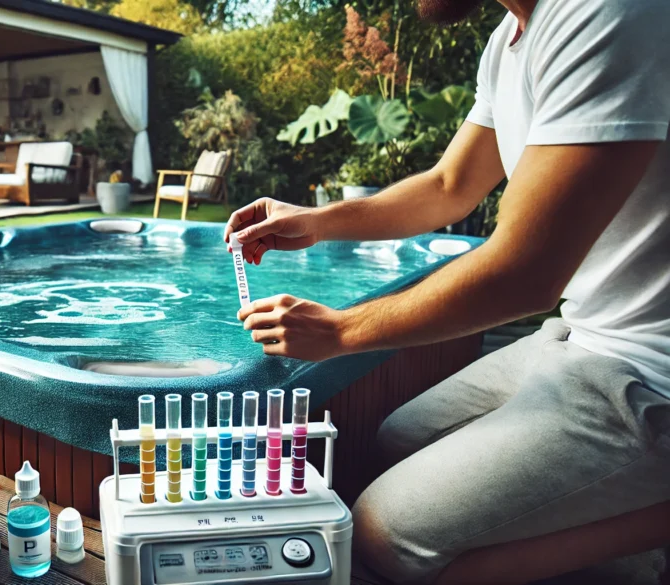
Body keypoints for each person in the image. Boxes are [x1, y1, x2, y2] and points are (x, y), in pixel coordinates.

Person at [224, 0, 670, 582]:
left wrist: (339, 331)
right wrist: (321, 220)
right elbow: (449, 186)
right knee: (397, 438)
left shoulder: (608, 12)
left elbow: (526, 273)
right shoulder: (508, 39)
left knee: (389, 537)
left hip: (649, 376)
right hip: (580, 338)